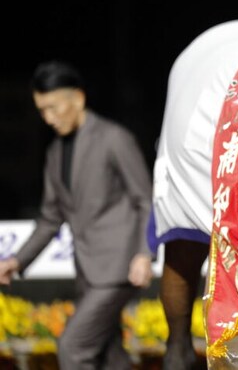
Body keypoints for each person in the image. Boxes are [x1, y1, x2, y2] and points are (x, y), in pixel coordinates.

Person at [0, 60, 154, 370]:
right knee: (111, 357)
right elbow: (50, 218)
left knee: (73, 347)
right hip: (87, 270)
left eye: (54, 108)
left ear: (78, 99)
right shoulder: (55, 152)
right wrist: (17, 261)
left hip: (118, 267)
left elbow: (145, 199)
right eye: (42, 110)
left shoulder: (114, 139)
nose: (48, 118)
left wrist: (144, 253)